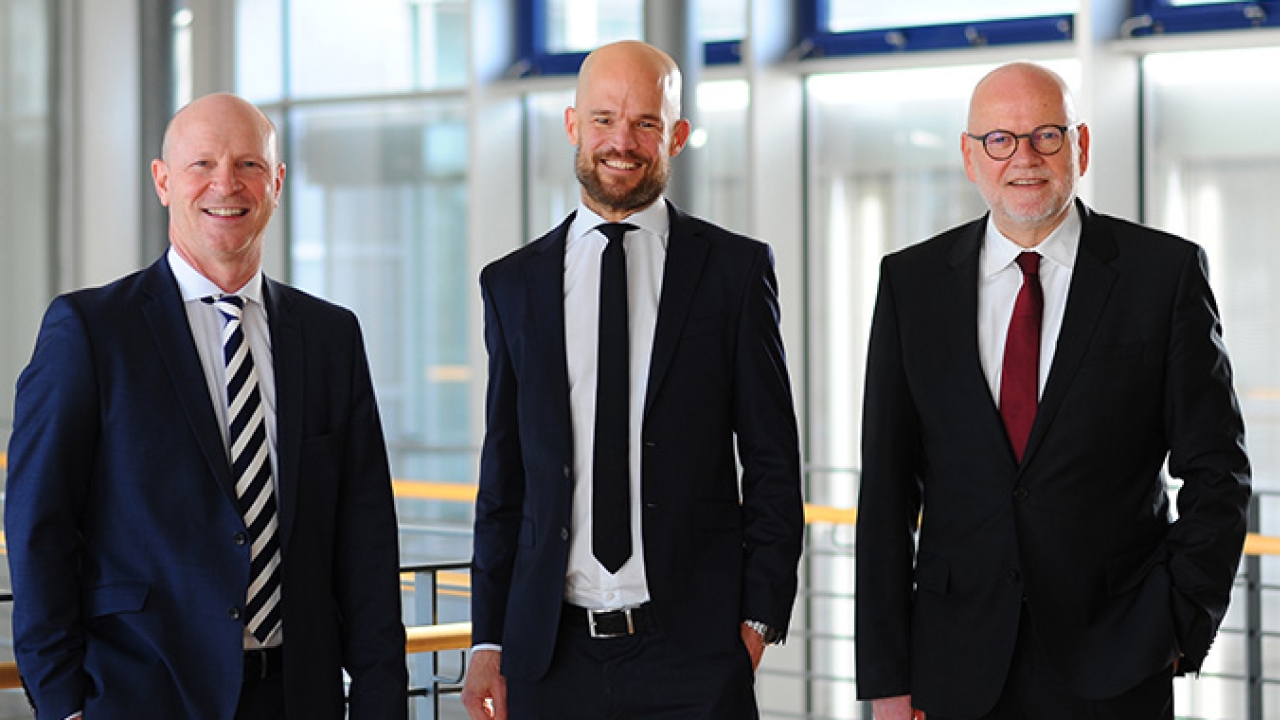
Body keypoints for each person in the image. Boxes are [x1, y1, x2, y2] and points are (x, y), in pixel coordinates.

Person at [855, 62, 1252, 720]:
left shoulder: (1163, 275)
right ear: (969, 156)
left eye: (1046, 135)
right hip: (955, 666)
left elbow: (1219, 472)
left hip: (1118, 658)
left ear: (1081, 146)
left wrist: (1178, 620)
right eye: (1000, 140)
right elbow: (887, 492)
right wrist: (887, 679)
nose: (1024, 158)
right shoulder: (910, 284)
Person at [5, 93, 408, 719]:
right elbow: (39, 528)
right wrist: (61, 704)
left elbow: (366, 538)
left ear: (275, 184)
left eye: (249, 165)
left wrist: (383, 699)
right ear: (164, 181)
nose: (227, 183)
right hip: (140, 696)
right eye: (202, 165)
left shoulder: (331, 336)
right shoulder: (90, 331)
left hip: (300, 697)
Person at [461, 40, 805, 719]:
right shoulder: (511, 284)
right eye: (604, 119)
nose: (622, 141)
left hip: (694, 659)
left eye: (646, 122)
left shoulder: (734, 273)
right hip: (549, 660)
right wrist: (487, 642)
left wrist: (757, 625)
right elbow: (504, 479)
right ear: (572, 126)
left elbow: (772, 462)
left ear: (676, 135)